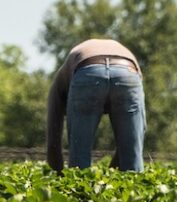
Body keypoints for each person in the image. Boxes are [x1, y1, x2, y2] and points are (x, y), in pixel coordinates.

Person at [46, 39, 145, 172]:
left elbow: (53, 136)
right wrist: (114, 172)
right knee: (132, 161)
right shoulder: (63, 78)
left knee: (79, 165)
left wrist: (58, 172)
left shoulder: (59, 83)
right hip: (128, 73)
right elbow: (136, 134)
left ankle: (79, 182)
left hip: (87, 71)